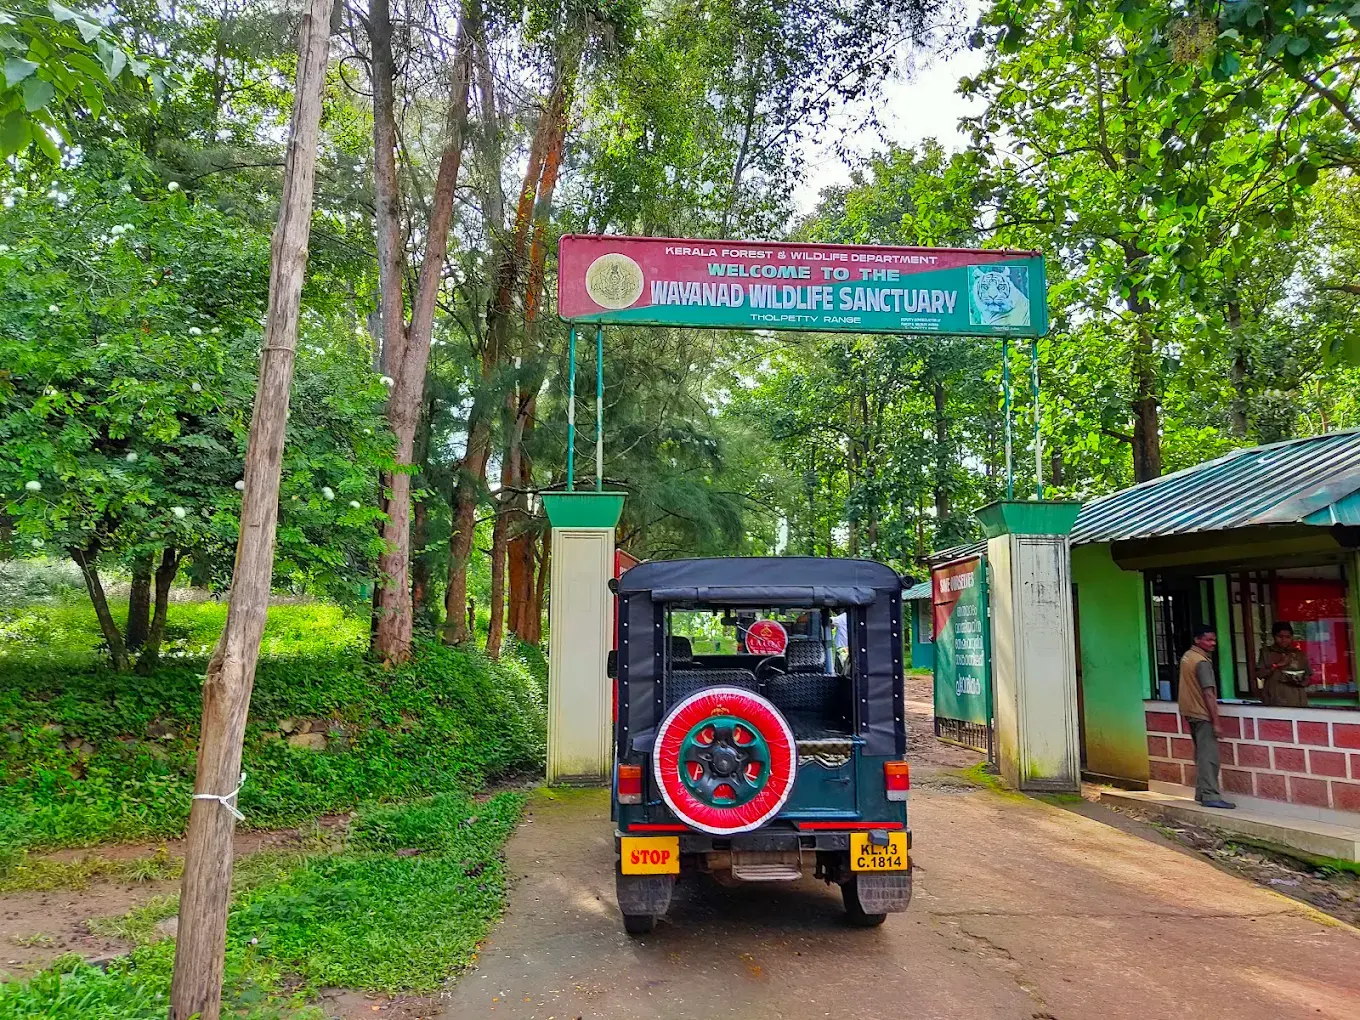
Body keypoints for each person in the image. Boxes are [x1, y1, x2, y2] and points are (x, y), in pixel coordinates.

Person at [1178, 626, 1235, 809]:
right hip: (1203, 714)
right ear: (1197, 640)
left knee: (1201, 754)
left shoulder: (1188, 656)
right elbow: (1208, 693)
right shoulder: (1202, 662)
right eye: (1209, 640)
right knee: (1209, 757)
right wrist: (1216, 722)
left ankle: (1202, 793)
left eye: (1214, 640)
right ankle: (1210, 795)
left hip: (1190, 712)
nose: (1213, 644)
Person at [1256, 621, 1313, 708]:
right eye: (1280, 637)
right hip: (1274, 698)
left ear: (1292, 637)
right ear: (1274, 636)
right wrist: (1278, 664)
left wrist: (1300, 681)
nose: (1284, 640)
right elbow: (1260, 674)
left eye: (1288, 637)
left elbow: (1308, 678)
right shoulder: (1266, 652)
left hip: (1297, 699)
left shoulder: (1299, 654)